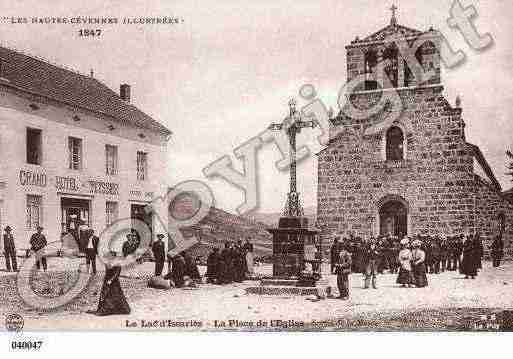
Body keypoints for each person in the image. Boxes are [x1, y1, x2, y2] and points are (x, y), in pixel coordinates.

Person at [93, 249, 131, 316]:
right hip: (107, 280)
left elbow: (117, 273)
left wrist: (111, 280)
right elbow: (107, 271)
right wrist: (106, 280)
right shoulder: (108, 262)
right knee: (105, 294)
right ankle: (105, 309)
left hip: (113, 281)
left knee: (113, 295)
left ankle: (107, 310)